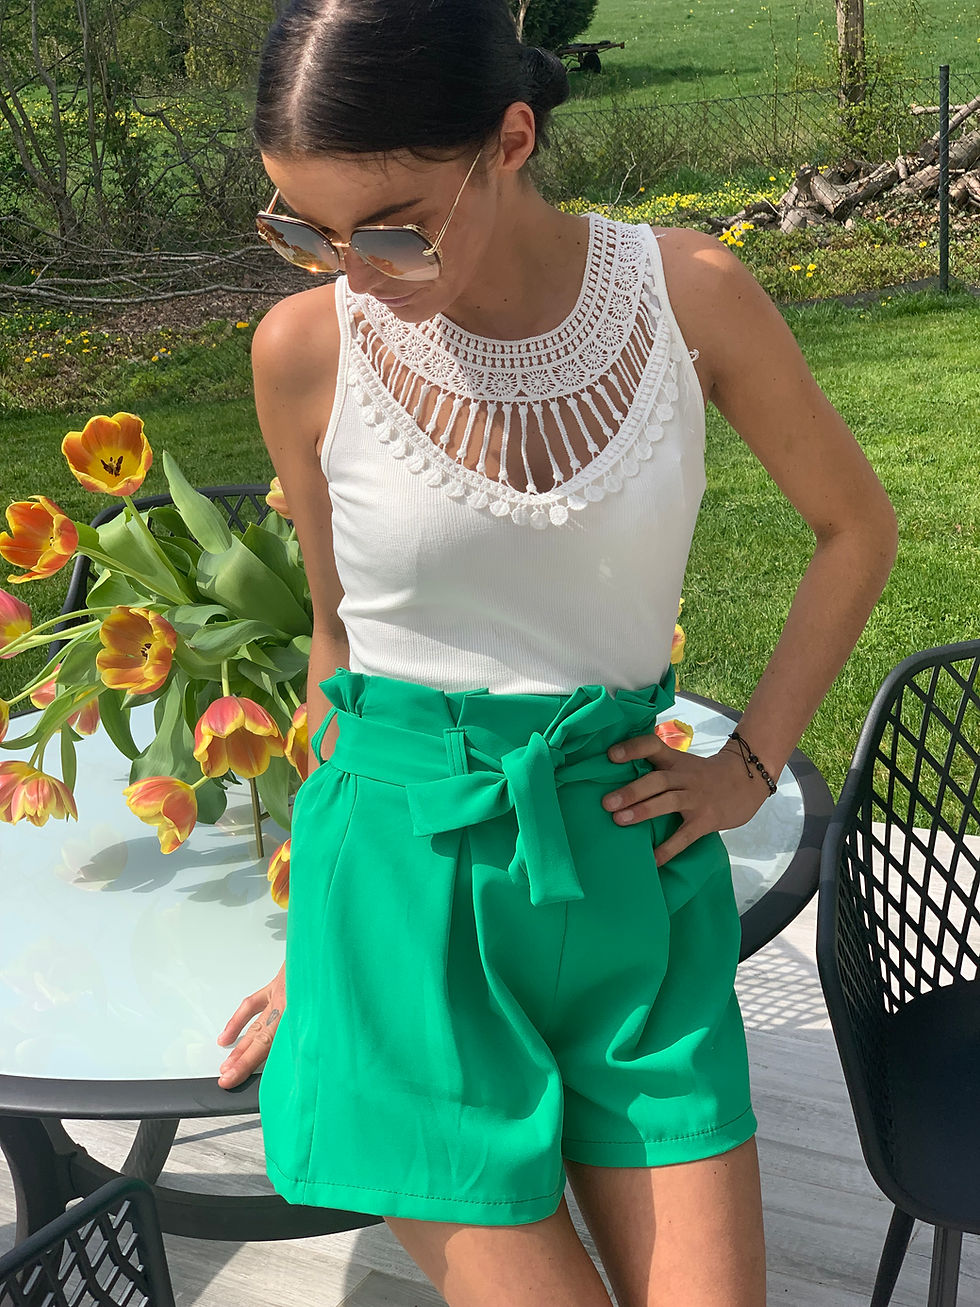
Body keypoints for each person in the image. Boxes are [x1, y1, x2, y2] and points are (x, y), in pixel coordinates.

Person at [214, 1, 899, 1303]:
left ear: (512, 140)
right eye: (305, 230)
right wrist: (332, 941)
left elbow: (855, 529)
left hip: (629, 869)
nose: (353, 272)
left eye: (393, 226)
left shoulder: (690, 297)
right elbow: (334, 638)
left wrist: (751, 764)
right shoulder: (305, 352)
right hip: (399, 886)